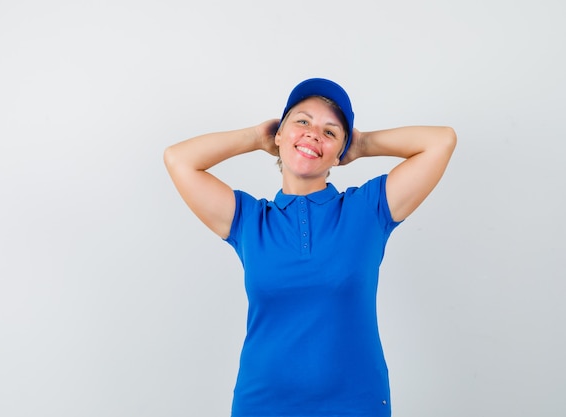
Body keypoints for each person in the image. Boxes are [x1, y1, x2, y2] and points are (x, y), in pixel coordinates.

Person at [163, 78, 456, 417]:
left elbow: (441, 141)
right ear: (279, 134)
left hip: (356, 405)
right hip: (263, 405)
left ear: (340, 153)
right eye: (302, 121)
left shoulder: (368, 210)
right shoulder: (248, 219)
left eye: (330, 132)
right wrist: (256, 137)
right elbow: (178, 159)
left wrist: (362, 144)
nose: (314, 133)